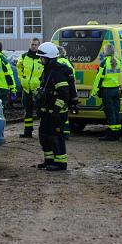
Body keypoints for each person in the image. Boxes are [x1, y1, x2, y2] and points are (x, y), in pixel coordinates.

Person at [34, 42, 72, 171]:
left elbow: (64, 94)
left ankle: (60, 163)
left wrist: (56, 110)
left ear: (49, 58)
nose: (41, 60)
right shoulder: (48, 71)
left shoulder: (58, 72)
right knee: (44, 135)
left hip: (56, 112)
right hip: (47, 111)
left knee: (56, 136)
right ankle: (49, 160)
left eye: (42, 58)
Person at [91, 42, 122, 142]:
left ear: (105, 52)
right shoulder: (118, 61)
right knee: (116, 111)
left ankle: (111, 135)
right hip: (116, 90)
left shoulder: (104, 63)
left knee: (110, 112)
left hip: (107, 91)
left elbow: (98, 79)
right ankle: (116, 133)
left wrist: (94, 91)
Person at [17, 38, 43, 138]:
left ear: (39, 46)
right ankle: (28, 131)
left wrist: (41, 81)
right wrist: (22, 79)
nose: (34, 46)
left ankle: (42, 132)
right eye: (32, 44)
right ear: (30, 45)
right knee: (27, 111)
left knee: (41, 111)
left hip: (38, 90)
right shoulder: (24, 57)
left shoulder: (41, 57)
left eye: (36, 45)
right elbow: (19, 68)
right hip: (26, 88)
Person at [57, 46, 75, 139]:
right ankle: (66, 132)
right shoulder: (69, 62)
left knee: (59, 112)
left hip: (61, 90)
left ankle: (61, 132)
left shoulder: (58, 62)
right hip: (69, 90)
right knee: (65, 112)